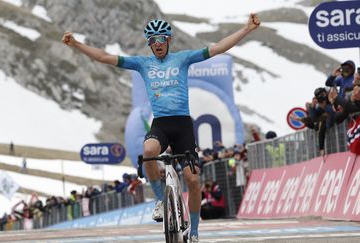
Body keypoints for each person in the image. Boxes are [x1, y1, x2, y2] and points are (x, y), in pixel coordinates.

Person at [62, 14, 260, 241]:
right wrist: (76, 44)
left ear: (168, 41)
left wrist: (247, 29)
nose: (157, 44)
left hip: (183, 125)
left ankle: (194, 231)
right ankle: (159, 200)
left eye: (161, 39)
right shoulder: (143, 64)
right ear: (149, 43)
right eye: (152, 40)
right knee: (148, 152)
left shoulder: (183, 59)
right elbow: (105, 57)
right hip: (161, 124)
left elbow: (216, 48)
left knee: (193, 181)